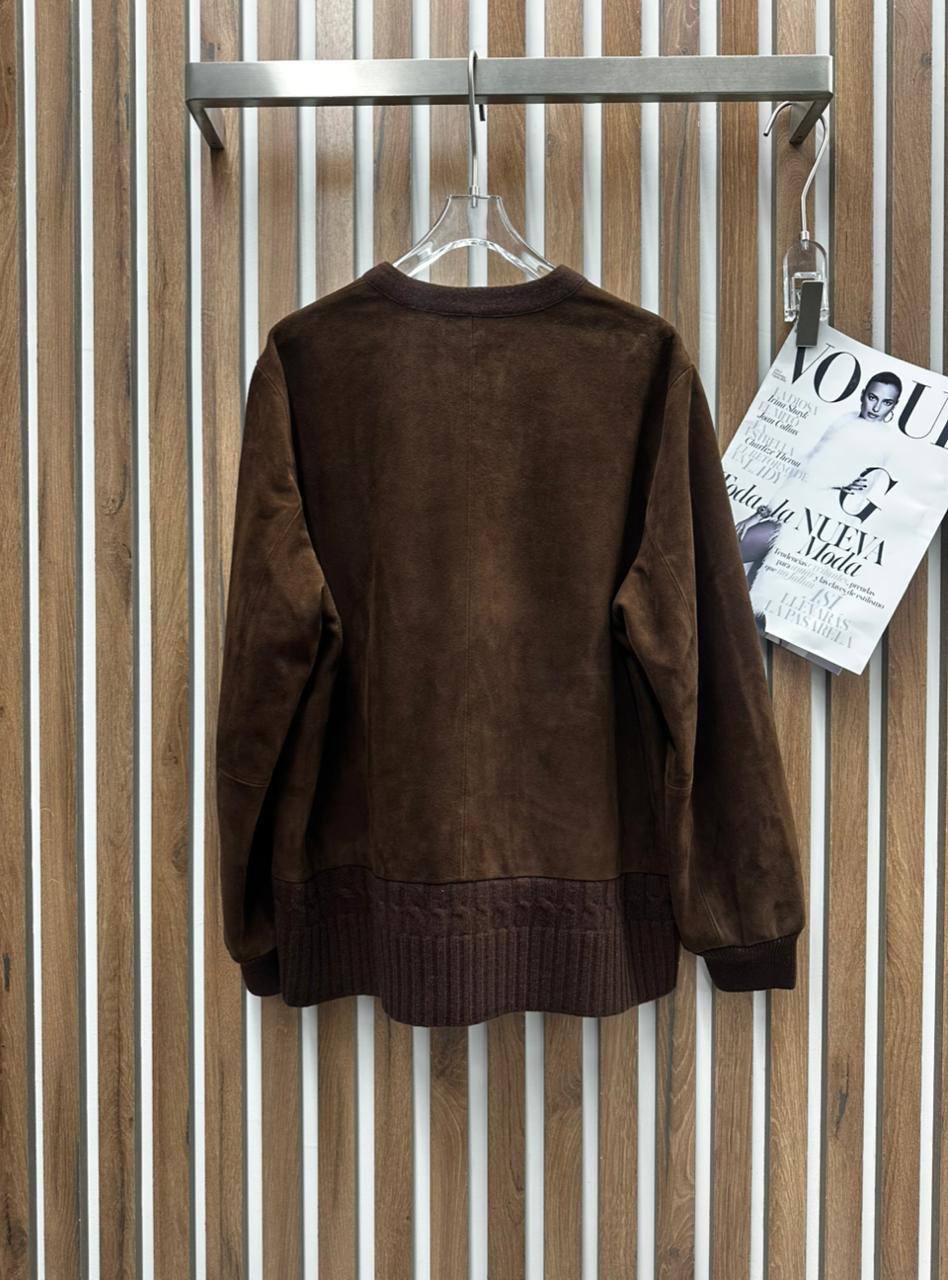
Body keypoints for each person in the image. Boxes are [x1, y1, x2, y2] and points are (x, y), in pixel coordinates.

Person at [736, 371, 903, 630]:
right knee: (736, 569)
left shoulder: (885, 441)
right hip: (794, 510)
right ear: (862, 395)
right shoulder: (845, 421)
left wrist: (840, 485)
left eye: (886, 402)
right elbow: (805, 470)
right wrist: (759, 515)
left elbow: (859, 496)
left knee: (759, 590)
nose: (876, 407)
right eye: (872, 398)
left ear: (894, 406)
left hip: (818, 527)